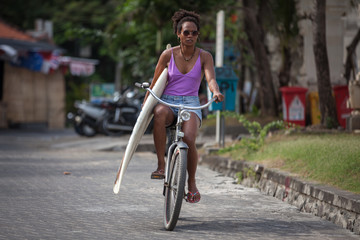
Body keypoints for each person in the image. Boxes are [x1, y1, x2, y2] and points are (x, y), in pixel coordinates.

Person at [146, 9, 224, 203]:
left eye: (194, 33)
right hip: (168, 101)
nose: (190, 36)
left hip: (191, 103)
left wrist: (215, 91)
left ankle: (191, 183)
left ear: (198, 35)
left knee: (189, 139)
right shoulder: (167, 54)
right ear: (178, 34)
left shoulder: (205, 56)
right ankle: (161, 165)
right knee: (159, 114)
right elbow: (156, 81)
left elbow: (210, 79)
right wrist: (145, 103)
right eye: (186, 32)